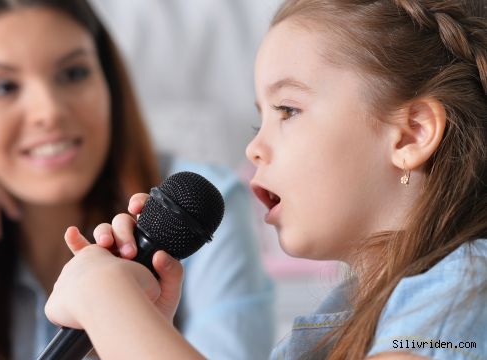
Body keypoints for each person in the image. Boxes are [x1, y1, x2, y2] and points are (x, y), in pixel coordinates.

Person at [43, 0, 487, 359]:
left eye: (288, 110)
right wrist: (138, 330)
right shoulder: (329, 328)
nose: (253, 150)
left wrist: (109, 304)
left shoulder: (466, 293)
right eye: (259, 125)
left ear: (412, 133)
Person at [0, 0, 274, 359]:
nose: (49, 110)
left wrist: (118, 317)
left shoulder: (194, 206)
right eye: (2, 87)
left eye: (73, 73)